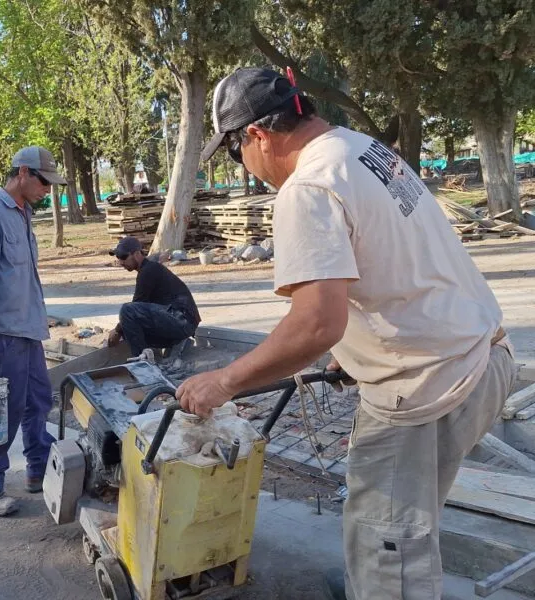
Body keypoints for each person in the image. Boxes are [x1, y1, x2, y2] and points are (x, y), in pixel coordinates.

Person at [177, 67, 514, 599]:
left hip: (427, 388)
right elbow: (393, 262)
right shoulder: (362, 150)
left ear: (258, 136)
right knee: (405, 529)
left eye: (233, 150)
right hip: (482, 352)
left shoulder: (307, 187)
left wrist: (224, 382)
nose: (241, 164)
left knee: (389, 544)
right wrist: (354, 351)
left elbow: (315, 322)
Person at [0, 146, 67, 517]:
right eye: (43, 181)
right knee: (4, 411)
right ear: (22, 172)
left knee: (38, 401)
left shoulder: (22, 213)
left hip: (27, 328)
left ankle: (39, 470)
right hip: (3, 331)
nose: (47, 189)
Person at [107, 236, 201, 360]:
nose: (121, 262)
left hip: (182, 319)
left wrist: (117, 331)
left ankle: (140, 363)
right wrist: (121, 330)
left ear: (136, 254)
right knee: (128, 328)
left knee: (127, 311)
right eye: (118, 258)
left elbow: (135, 306)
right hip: (181, 322)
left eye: (124, 257)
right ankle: (152, 356)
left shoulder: (148, 270)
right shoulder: (147, 269)